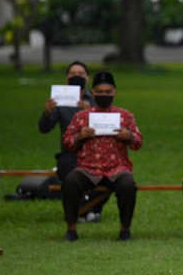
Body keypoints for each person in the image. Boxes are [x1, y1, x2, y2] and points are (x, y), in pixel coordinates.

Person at [61, 71, 143, 241]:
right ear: (93, 92)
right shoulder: (82, 117)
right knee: (70, 182)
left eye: (108, 92)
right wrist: (79, 136)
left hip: (117, 168)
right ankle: (71, 228)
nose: (104, 95)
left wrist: (129, 136)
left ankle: (125, 228)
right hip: (88, 168)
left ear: (114, 92)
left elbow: (138, 142)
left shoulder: (125, 116)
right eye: (100, 92)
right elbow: (67, 142)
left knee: (128, 185)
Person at [38, 61, 102, 222]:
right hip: (70, 152)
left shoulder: (97, 99)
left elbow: (105, 126)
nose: (76, 77)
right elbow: (44, 128)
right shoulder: (59, 101)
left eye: (80, 74)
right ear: (66, 78)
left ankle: (88, 209)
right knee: (68, 175)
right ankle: (85, 212)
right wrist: (47, 112)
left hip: (95, 153)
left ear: (87, 78)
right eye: (72, 74)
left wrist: (89, 110)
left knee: (112, 175)